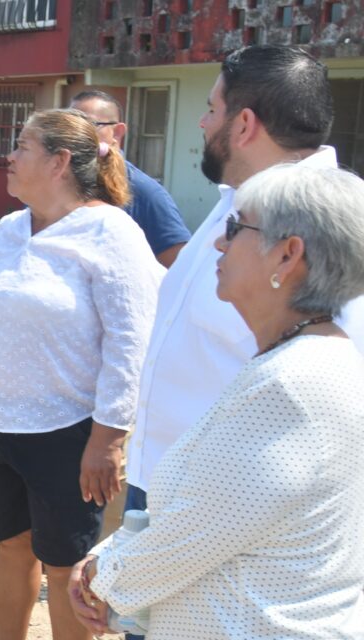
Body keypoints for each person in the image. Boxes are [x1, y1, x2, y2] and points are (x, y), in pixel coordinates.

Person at [121, 49, 364, 630]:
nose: (202, 123)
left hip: (241, 520)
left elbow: (338, 379)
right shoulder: (241, 201)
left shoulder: (320, 215)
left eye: (211, 109)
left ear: (245, 123)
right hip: (172, 490)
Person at [68, 163, 364, 639]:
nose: (219, 244)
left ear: (288, 255)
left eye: (236, 227)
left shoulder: (287, 388)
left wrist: (100, 576)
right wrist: (109, 559)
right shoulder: (312, 359)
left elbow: (192, 535)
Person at [0, 109, 163, 640]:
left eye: (22, 146)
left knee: (67, 568)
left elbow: (131, 339)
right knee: (11, 548)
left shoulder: (111, 232)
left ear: (59, 162)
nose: (9, 157)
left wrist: (108, 437)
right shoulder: (9, 229)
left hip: (69, 431)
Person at [70, 90, 190, 267]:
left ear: (117, 132)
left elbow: (179, 268)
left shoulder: (145, 193)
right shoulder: (57, 183)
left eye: (88, 125)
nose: (75, 134)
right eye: (70, 126)